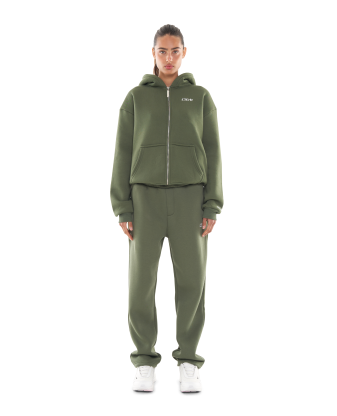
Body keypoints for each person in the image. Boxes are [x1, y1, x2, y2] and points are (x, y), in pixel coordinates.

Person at [110, 24, 224, 393]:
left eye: (175, 50)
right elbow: (123, 151)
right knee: (141, 283)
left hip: (191, 200)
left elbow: (213, 151)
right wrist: (123, 207)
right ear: (153, 53)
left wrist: (212, 203)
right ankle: (144, 360)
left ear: (184, 52)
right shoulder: (135, 98)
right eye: (163, 51)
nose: (169, 57)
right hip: (144, 200)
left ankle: (188, 360)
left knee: (192, 281)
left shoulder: (200, 97)